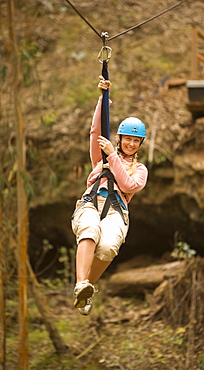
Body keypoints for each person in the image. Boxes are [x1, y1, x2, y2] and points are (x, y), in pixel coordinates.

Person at [71, 76, 148, 315]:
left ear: (140, 144)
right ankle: (81, 284)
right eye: (128, 139)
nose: (131, 144)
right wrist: (102, 100)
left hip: (117, 209)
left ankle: (87, 289)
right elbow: (96, 132)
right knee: (90, 229)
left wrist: (113, 156)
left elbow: (127, 185)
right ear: (120, 138)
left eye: (136, 141)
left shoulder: (140, 170)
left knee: (108, 247)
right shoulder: (101, 156)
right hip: (92, 202)